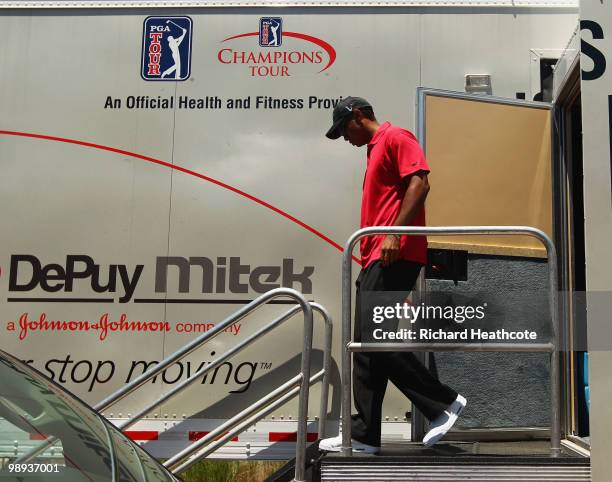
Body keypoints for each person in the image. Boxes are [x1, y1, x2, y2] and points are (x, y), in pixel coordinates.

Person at [319, 97, 466, 453]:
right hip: (376, 257)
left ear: (357, 116)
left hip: (396, 254)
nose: (345, 139)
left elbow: (420, 183)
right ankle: (365, 434)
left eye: (344, 131)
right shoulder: (374, 149)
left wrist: (395, 234)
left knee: (372, 340)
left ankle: (443, 402)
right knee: (364, 347)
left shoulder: (396, 136)